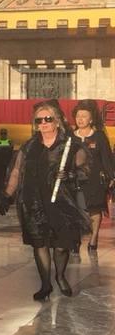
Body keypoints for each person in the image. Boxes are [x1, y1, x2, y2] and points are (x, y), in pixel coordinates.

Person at [0, 101, 88, 300]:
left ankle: (60, 276)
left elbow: (85, 169)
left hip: (62, 202)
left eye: (48, 119)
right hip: (34, 201)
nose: (44, 123)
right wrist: (7, 194)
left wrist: (71, 175)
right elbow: (16, 171)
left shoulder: (70, 145)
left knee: (62, 244)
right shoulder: (30, 146)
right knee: (39, 243)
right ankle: (45, 284)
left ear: (57, 121)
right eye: (40, 120)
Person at [72, 100, 112, 255]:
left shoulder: (99, 136)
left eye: (84, 116)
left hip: (95, 179)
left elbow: (106, 158)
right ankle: (75, 239)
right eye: (78, 116)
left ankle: (94, 238)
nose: (80, 119)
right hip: (74, 179)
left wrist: (111, 176)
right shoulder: (70, 136)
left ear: (91, 119)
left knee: (95, 208)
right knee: (74, 208)